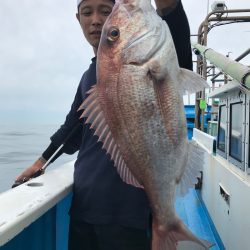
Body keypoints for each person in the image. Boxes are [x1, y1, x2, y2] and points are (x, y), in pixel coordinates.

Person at [16, 0, 193, 249]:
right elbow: (72, 130)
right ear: (78, 19)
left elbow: (177, 36)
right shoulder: (89, 75)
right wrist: (41, 161)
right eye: (87, 12)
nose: (96, 20)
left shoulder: (157, 56)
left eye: (106, 11)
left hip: (128, 211)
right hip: (84, 206)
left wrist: (167, 8)